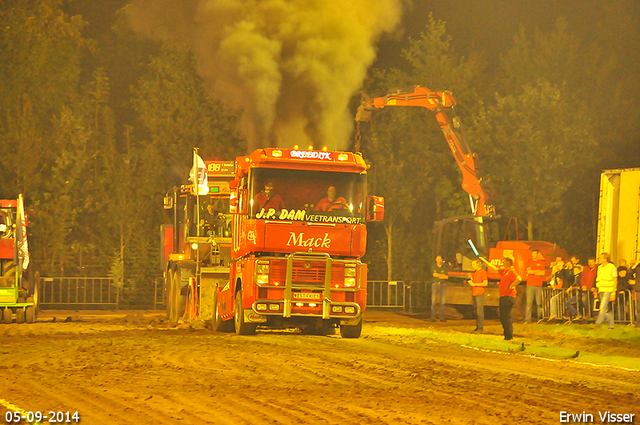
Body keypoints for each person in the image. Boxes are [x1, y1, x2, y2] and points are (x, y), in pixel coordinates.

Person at [482, 256, 521, 340]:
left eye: (504, 260)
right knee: (503, 316)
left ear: (508, 262)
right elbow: (494, 269)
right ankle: (506, 335)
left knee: (506, 316)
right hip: (503, 296)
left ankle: (509, 336)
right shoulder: (505, 270)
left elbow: (519, 278)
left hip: (508, 296)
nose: (502, 262)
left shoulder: (511, 270)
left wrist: (511, 285)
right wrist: (484, 261)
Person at [594, 252, 618, 329]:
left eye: (601, 258)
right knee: (606, 308)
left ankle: (598, 323)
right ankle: (611, 325)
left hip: (608, 289)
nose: (599, 259)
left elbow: (615, 279)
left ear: (605, 258)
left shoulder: (611, 266)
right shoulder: (600, 267)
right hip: (601, 289)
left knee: (603, 307)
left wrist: (614, 292)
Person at [467, 259, 488, 332]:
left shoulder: (483, 272)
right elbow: (475, 280)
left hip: (480, 293)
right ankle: (478, 326)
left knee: (479, 311)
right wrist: (471, 278)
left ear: (478, 264)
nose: (472, 266)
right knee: (476, 310)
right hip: (474, 293)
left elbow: (485, 283)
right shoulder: (475, 272)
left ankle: (480, 328)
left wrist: (474, 284)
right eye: (472, 264)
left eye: (473, 264)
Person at [525, 249, 545, 323]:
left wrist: (533, 271)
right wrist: (537, 271)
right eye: (532, 253)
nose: (534, 255)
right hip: (530, 285)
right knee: (529, 303)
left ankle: (540, 319)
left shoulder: (541, 262)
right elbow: (528, 271)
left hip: (539, 285)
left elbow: (543, 273)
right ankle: (527, 319)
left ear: (537, 254)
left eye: (535, 254)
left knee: (539, 303)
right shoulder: (529, 261)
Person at [431, 255, 448, 322]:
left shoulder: (444, 267)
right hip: (435, 284)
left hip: (442, 285)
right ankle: (433, 317)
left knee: (442, 302)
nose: (439, 260)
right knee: (433, 301)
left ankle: (441, 317)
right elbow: (434, 275)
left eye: (440, 259)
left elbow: (446, 277)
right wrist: (442, 275)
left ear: (442, 260)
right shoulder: (433, 266)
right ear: (436, 259)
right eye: (437, 259)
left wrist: (438, 275)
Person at [628, 259, 640, 327]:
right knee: (639, 309)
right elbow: (629, 272)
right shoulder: (637, 267)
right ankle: (638, 324)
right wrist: (635, 265)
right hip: (639, 289)